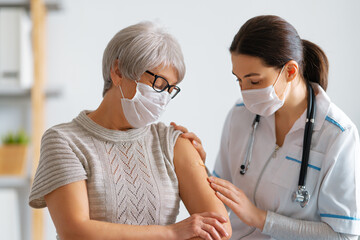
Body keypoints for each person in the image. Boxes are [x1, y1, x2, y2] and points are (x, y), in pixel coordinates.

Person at [28, 21, 232, 240]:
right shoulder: (65, 141)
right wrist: (172, 232)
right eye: (159, 84)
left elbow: (219, 228)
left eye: (171, 90)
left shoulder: (172, 142)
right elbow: (74, 230)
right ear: (118, 71)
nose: (163, 98)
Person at [173, 15, 360, 239]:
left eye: (254, 82)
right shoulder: (240, 115)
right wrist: (198, 165)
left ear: (290, 71)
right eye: (239, 80)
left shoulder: (337, 135)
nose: (245, 92)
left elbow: (343, 235)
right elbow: (226, 201)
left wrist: (260, 218)